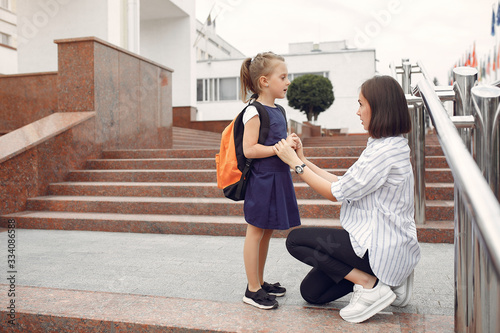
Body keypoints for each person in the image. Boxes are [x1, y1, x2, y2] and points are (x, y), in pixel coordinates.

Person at [273, 75, 421, 323]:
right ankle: (388, 283)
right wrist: (304, 160)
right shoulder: (384, 145)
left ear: (379, 107)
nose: (357, 111)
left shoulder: (384, 152)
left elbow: (334, 194)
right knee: (312, 293)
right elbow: (343, 183)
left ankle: (370, 283)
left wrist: (295, 164)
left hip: (380, 246)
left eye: (362, 104)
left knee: (295, 240)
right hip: (379, 241)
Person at [239, 52, 301, 310]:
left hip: (278, 177)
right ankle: (251, 289)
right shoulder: (253, 111)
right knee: (255, 232)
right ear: (264, 81)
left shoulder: (279, 110)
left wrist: (291, 145)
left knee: (266, 232)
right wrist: (280, 148)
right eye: (283, 77)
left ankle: (260, 282)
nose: (288, 81)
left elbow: (278, 144)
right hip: (262, 180)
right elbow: (249, 150)